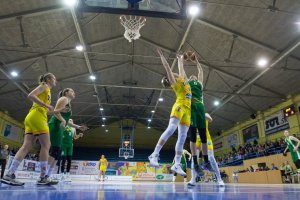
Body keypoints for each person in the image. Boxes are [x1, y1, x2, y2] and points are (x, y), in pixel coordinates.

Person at [1, 73, 65, 185]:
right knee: (46, 146)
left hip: (32, 117)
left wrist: (56, 110)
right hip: (37, 117)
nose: (55, 80)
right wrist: (45, 105)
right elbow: (31, 95)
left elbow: (46, 110)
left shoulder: (47, 90)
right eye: (54, 78)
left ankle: (10, 173)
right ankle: (42, 177)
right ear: (49, 79)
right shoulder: (44, 85)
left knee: (26, 146)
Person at [148, 48, 191, 176]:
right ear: (170, 78)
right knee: (171, 129)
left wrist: (179, 59)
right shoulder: (174, 82)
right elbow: (167, 68)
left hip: (187, 111)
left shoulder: (183, 78)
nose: (174, 73)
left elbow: (181, 67)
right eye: (172, 74)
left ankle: (177, 164)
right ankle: (154, 154)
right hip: (179, 106)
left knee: (182, 137)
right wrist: (162, 56)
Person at [46, 88, 87, 181]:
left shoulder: (68, 102)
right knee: (54, 151)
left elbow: (67, 120)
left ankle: (47, 175)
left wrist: (78, 127)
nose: (74, 92)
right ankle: (43, 175)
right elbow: (55, 112)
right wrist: (63, 120)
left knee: (56, 153)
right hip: (55, 125)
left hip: (59, 126)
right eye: (72, 91)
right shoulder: (64, 99)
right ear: (66, 92)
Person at [187, 56, 212, 174]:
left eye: (194, 75)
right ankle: (196, 162)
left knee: (204, 138)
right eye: (190, 76)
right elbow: (180, 74)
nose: (193, 76)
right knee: (192, 136)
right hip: (191, 108)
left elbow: (201, 71)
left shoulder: (200, 84)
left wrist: (196, 61)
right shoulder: (187, 83)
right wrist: (180, 61)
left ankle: (206, 161)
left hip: (201, 108)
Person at [188, 113, 225, 187]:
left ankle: (219, 179)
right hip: (196, 139)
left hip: (206, 138)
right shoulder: (191, 116)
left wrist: (200, 114)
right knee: (194, 159)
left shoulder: (204, 113)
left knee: (211, 158)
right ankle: (193, 180)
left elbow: (210, 119)